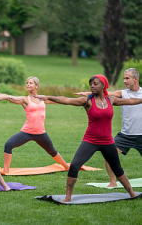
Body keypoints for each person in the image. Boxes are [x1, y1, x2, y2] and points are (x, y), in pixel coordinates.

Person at [35, 74, 139, 202]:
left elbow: (132, 101)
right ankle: (68, 197)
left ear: (103, 85)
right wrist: (47, 97)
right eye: (91, 84)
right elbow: (65, 100)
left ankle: (132, 193)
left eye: (95, 84)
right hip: (90, 141)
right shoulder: (87, 101)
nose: (92, 86)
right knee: (74, 166)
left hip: (107, 142)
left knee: (117, 169)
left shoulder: (111, 100)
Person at [76, 68, 142, 187]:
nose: (124, 81)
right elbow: (107, 93)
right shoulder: (123, 93)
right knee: (109, 156)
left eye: (127, 78)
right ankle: (113, 182)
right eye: (124, 78)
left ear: (135, 79)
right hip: (125, 135)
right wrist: (89, 93)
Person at [0, 76, 69, 174]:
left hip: (41, 133)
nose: (28, 84)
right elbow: (9, 97)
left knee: (52, 151)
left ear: (37, 86)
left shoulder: (42, 98)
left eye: (31, 83)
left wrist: (75, 100)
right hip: (27, 132)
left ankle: (66, 166)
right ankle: (6, 170)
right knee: (8, 145)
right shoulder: (25, 99)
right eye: (27, 83)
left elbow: (58, 100)